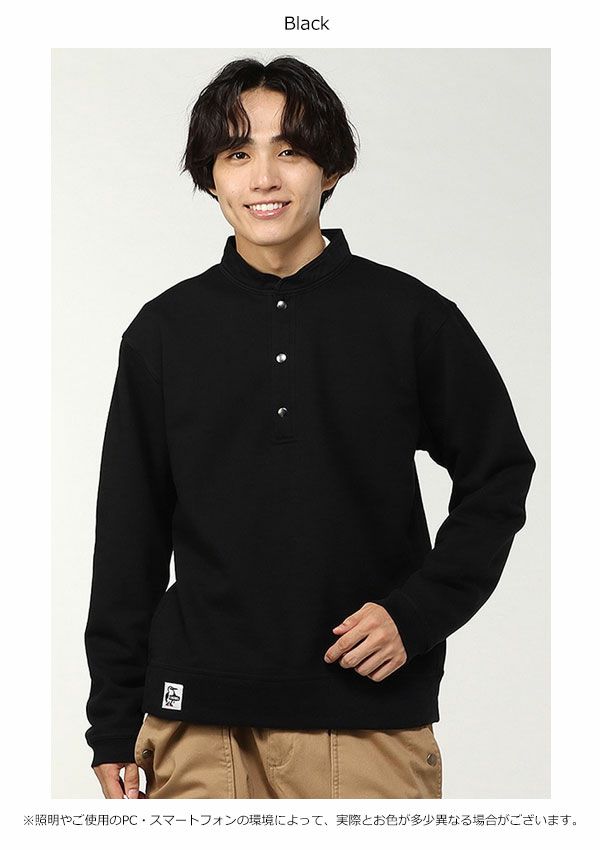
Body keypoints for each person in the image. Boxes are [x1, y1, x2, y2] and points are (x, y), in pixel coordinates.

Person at [84, 55, 536, 800]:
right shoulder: (163, 333)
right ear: (210, 177)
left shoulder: (411, 318)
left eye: (289, 150)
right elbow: (129, 533)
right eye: (237, 154)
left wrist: (416, 614)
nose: (264, 178)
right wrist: (110, 720)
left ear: (331, 167)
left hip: (367, 722)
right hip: (194, 725)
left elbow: (499, 473)